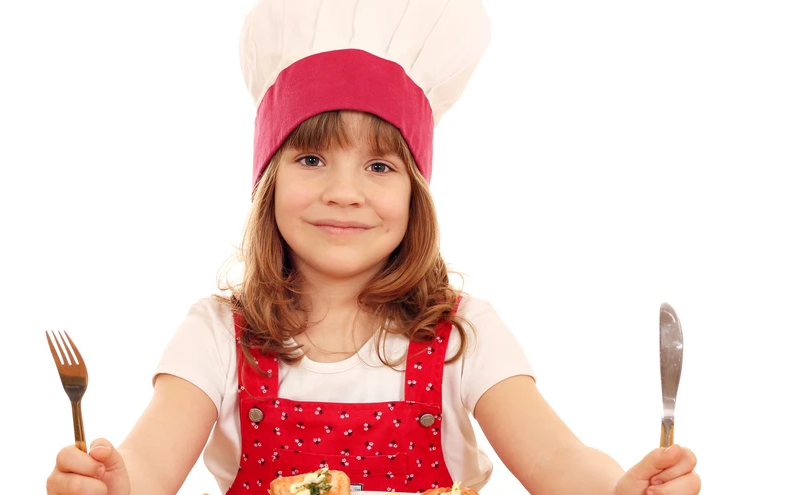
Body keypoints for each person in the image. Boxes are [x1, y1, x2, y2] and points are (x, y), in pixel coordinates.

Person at [46, 1, 700, 494]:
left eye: (380, 167)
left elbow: (558, 460)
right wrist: (110, 483)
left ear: (416, 194)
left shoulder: (463, 334)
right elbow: (150, 464)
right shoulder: (218, 333)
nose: (344, 193)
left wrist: (620, 489)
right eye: (311, 159)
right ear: (269, 181)